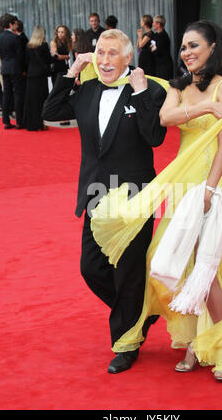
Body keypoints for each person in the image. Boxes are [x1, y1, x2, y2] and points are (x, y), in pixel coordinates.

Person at [89, 20, 222, 383]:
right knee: (168, 263)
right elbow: (165, 117)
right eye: (184, 47)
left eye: (194, 46)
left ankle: (217, 351)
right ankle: (191, 338)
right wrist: (207, 108)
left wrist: (208, 190)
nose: (187, 53)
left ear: (212, 48)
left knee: (207, 271)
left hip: (215, 183)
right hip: (180, 182)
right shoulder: (179, 86)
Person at [42, 29, 167, 374]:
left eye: (113, 54)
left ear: (129, 58)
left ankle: (126, 345)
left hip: (133, 197)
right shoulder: (89, 89)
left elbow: (155, 137)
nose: (105, 60)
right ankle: (139, 314)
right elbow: (50, 111)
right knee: (91, 267)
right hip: (97, 195)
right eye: (100, 53)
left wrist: (141, 93)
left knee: (128, 273)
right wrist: (71, 72)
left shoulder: (149, 90)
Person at [22, 26, 56, 131]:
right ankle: (39, 123)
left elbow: (26, 61)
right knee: (40, 100)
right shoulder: (44, 45)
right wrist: (56, 56)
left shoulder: (28, 46)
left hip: (31, 75)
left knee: (31, 100)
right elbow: (48, 60)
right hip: (40, 75)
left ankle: (31, 123)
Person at [0, 14, 26, 129]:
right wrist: (23, 69)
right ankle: (19, 121)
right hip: (15, 68)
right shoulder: (15, 38)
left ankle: (6, 121)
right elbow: (20, 56)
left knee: (6, 94)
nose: (17, 25)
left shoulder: (0, 37)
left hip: (5, 68)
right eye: (15, 23)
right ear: (11, 24)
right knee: (18, 95)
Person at [50, 24, 72, 125]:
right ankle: (58, 115)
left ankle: (65, 116)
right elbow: (55, 56)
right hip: (57, 69)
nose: (60, 34)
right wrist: (66, 56)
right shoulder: (54, 42)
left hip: (65, 68)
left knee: (65, 92)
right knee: (57, 91)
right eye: (59, 32)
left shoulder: (68, 42)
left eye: (62, 32)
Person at [150, 15, 173, 80]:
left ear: (158, 24)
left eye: (154, 22)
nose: (152, 24)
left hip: (164, 65)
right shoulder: (156, 35)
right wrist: (153, 48)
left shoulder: (163, 36)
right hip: (158, 65)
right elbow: (151, 48)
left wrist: (154, 48)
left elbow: (157, 50)